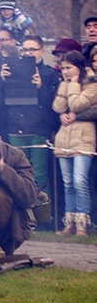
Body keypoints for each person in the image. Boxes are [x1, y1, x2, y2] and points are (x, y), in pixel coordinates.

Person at [1, 35, 60, 198]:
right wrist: (2, 81)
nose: (28, 53)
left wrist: (41, 87)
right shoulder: (12, 68)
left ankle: (43, 214)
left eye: (32, 49)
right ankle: (24, 216)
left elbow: (55, 105)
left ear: (42, 51)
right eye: (25, 49)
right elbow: (1, 102)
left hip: (39, 129)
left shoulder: (50, 74)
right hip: (16, 127)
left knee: (39, 174)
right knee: (19, 174)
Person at [52, 51, 97, 237]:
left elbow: (77, 104)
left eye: (69, 68)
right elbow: (58, 107)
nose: (65, 71)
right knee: (68, 183)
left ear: (78, 68)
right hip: (64, 139)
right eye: (63, 68)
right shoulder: (66, 83)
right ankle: (69, 223)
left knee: (80, 181)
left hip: (83, 138)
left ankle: (82, 224)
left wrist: (73, 84)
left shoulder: (92, 85)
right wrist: (65, 84)